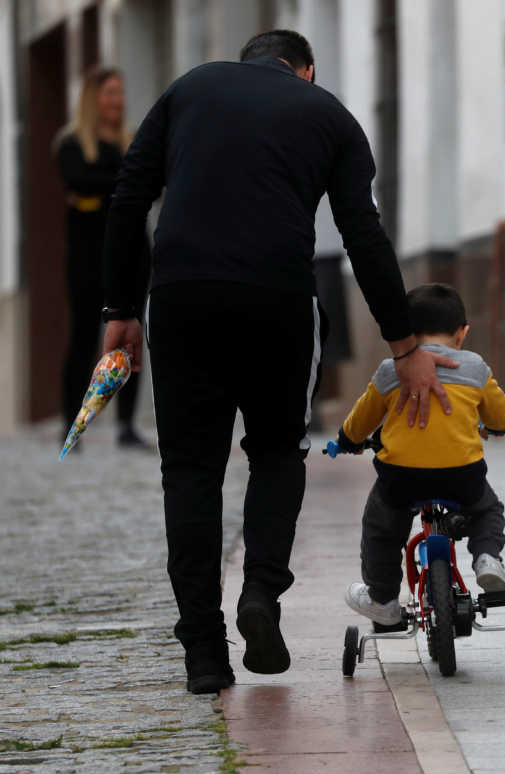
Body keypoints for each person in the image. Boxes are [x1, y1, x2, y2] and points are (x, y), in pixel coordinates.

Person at [98, 30, 455, 694]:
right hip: (278, 301)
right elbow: (362, 234)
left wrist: (121, 309)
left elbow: (128, 198)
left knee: (190, 470)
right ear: (307, 71)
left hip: (183, 295)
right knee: (275, 451)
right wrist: (405, 345)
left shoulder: (188, 91)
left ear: (246, 64)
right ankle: (260, 592)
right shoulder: (328, 115)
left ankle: (204, 651)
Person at [335, 284, 505, 625]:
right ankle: (487, 559)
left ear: (407, 335)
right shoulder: (476, 368)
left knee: (382, 529)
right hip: (462, 474)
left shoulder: (391, 371)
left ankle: (383, 600)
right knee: (487, 510)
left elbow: (360, 421)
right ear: (462, 333)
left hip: (401, 478)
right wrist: (501, 426)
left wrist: (347, 439)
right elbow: (500, 416)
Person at [55, 66, 150, 449]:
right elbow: (79, 181)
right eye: (110, 93)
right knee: (83, 337)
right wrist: (123, 185)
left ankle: (126, 425)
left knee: (129, 338)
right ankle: (73, 421)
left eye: (120, 93)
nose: (117, 101)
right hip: (86, 251)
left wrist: (112, 188)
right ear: (92, 99)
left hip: (132, 250)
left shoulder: (133, 142)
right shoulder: (72, 143)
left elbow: (147, 186)